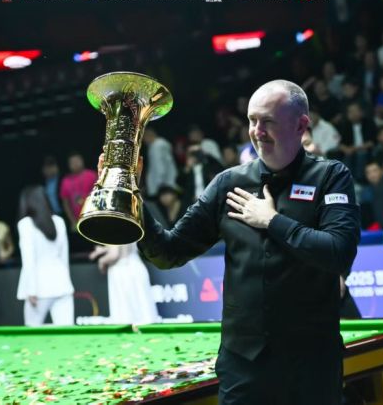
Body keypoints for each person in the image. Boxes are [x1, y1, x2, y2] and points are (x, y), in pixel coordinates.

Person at [99, 80, 360, 404]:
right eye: (252, 120)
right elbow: (167, 253)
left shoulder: (331, 177)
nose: (257, 131)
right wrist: (132, 194)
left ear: (300, 125)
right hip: (243, 366)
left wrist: (272, 221)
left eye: (268, 121)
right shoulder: (228, 184)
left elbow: (339, 252)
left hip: (311, 365)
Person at [17, 186, 74, 326]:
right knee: (66, 332)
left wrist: (31, 289)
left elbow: (28, 260)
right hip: (62, 284)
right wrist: (67, 281)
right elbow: (64, 257)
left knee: (32, 332)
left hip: (39, 288)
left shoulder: (25, 224)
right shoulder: (59, 222)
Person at [89, 243, 159, 325]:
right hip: (137, 268)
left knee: (126, 317)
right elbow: (123, 244)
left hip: (122, 272)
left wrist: (101, 262)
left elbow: (114, 254)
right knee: (144, 313)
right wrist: (104, 249)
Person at [60, 152, 97, 231]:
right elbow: (65, 203)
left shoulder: (92, 175)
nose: (75, 164)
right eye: (72, 162)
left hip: (94, 218)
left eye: (77, 161)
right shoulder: (65, 181)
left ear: (82, 160)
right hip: (77, 222)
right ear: (68, 165)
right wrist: (72, 221)